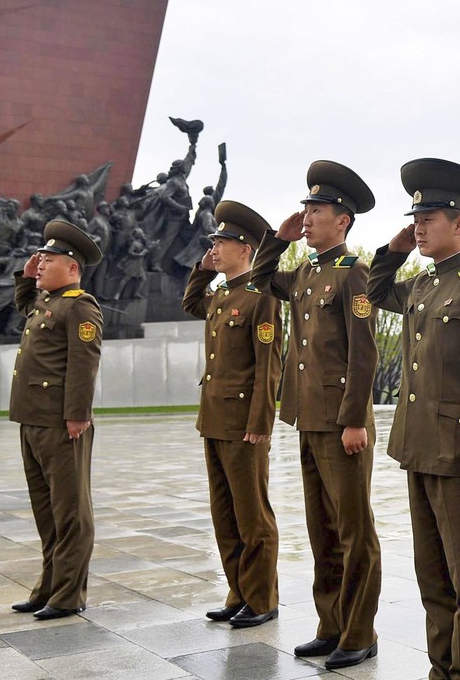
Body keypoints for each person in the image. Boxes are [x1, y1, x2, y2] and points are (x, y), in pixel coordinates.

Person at [368, 159, 460, 680]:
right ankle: (442, 669)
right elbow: (372, 288)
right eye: (416, 217)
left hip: (459, 457)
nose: (420, 226)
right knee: (432, 576)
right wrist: (396, 248)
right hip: (417, 449)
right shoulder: (421, 286)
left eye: (430, 218)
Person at [250, 160, 381, 670]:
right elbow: (260, 279)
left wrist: (354, 419)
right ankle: (331, 626)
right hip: (307, 417)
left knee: (354, 531)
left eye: (316, 210)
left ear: (343, 221)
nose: (306, 217)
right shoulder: (305, 271)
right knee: (321, 529)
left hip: (340, 421)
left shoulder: (354, 273)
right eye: (305, 209)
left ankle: (359, 631)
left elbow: (363, 352)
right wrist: (276, 241)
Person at [181, 201, 283, 629]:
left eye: (221, 242)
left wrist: (260, 422)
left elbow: (269, 365)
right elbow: (190, 304)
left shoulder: (262, 298)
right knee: (224, 514)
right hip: (214, 420)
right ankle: (238, 591)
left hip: (244, 425)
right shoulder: (221, 294)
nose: (215, 248)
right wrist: (202, 270)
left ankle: (261, 599)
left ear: (245, 249)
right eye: (214, 242)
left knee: (251, 515)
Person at [8, 219, 104, 621]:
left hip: (61, 424)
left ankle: (67, 595)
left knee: (70, 513)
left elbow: (85, 364)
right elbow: (22, 303)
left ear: (73, 268)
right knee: (46, 512)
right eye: (41, 258)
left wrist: (77, 415)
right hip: (32, 420)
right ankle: (48, 586)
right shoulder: (45, 302)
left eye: (49, 259)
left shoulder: (80, 305)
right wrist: (26, 278)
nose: (41, 263)